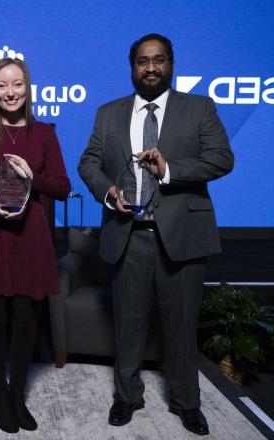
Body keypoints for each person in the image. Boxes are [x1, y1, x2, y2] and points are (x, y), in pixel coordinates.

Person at [78, 33, 234, 436]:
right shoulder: (108, 113)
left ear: (171, 64)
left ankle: (187, 402)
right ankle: (126, 396)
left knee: (181, 326)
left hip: (181, 237)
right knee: (128, 324)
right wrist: (108, 191)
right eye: (143, 61)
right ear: (132, 67)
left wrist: (169, 170)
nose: (151, 68)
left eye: (159, 60)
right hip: (128, 234)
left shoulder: (198, 108)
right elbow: (89, 162)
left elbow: (221, 159)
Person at [0, 58, 70, 433]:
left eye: (17, 84)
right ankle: (0, 396)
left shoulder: (43, 134)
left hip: (30, 235)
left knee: (24, 316)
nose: (10, 92)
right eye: (2, 86)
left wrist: (30, 176)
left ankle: (18, 393)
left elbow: (63, 187)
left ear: (27, 87)